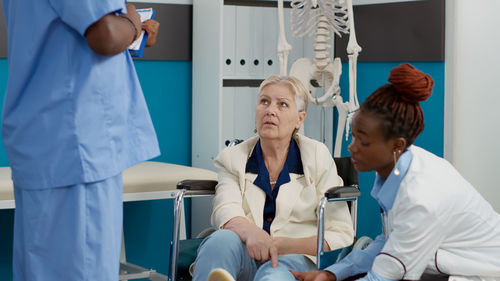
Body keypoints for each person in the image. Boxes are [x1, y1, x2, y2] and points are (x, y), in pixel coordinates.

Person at [291, 64, 500, 281]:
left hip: (482, 274)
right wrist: (331, 274)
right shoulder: (398, 169)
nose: (352, 147)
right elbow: (389, 242)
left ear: (396, 145)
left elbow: (383, 274)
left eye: (363, 141)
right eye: (353, 137)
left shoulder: (423, 196)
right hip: (445, 268)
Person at [1, 1, 160, 280]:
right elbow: (105, 34)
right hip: (78, 147)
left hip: (44, 138)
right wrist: (133, 23)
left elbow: (57, 42)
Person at [193, 75, 355, 281]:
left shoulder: (316, 156)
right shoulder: (233, 158)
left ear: (299, 119)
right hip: (248, 251)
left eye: (282, 104)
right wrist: (254, 234)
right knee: (220, 241)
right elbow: (225, 210)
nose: (270, 110)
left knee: (274, 277)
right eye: (264, 101)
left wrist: (282, 244)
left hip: (295, 258)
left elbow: (340, 233)